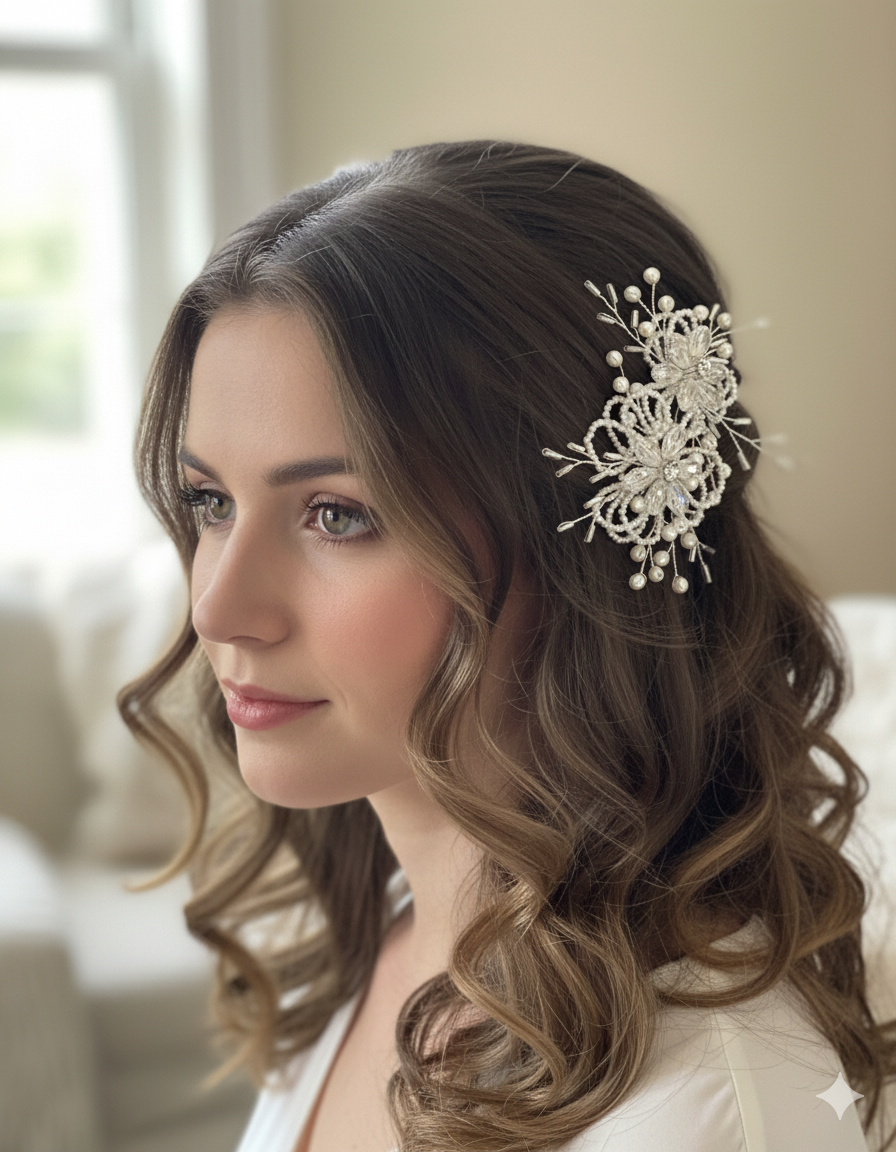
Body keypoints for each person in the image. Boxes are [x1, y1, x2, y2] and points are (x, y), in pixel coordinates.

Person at [120, 140, 894, 1152]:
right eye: (210, 501)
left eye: (338, 516)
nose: (218, 609)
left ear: (580, 555)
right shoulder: (394, 930)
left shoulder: (703, 1113)